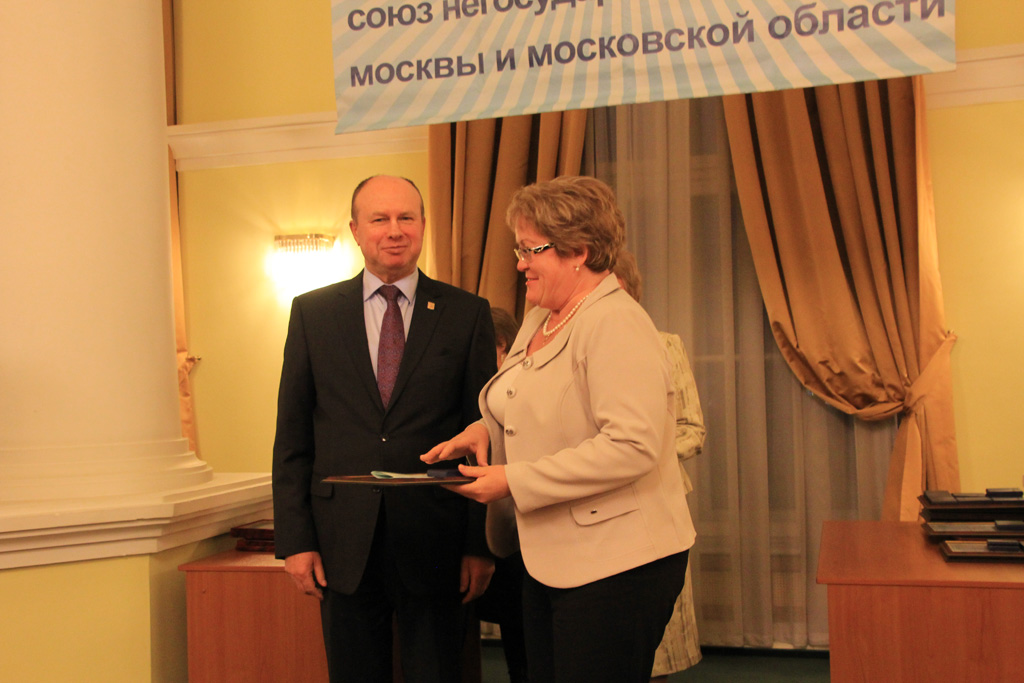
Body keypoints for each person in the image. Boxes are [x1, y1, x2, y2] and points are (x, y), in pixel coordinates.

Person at [422, 175, 697, 683]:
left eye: (531, 249)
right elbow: (527, 400)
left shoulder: (615, 322)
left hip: (617, 563)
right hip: (551, 555)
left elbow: (631, 446)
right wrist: (485, 429)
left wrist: (512, 479)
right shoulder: (541, 317)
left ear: (579, 252)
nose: (520, 263)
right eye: (519, 249)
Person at [272, 174, 497, 683]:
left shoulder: (467, 314)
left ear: (423, 225)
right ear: (356, 230)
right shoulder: (312, 314)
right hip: (341, 543)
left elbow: (486, 437)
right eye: (380, 219)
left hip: (436, 542)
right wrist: (296, 541)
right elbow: (292, 438)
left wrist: (478, 544)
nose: (394, 230)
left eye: (406, 217)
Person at [614, 250, 707, 682]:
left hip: (656, 501)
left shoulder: (665, 344)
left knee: (654, 646)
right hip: (589, 511)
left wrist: (636, 457)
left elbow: (692, 429)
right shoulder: (563, 346)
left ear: (632, 292)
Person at [474, 307, 530, 683]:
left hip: (519, 528)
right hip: (483, 526)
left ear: (502, 346)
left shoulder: (523, 386)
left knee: (523, 640)